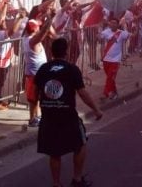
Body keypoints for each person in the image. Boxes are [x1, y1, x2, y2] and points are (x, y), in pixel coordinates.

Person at [35, 38, 104, 187]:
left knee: (54, 152)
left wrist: (36, 111)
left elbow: (35, 92)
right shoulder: (72, 69)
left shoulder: (43, 69)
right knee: (80, 144)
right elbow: (83, 93)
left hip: (49, 116)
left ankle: (56, 183)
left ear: (51, 52)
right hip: (68, 116)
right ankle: (77, 179)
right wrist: (96, 110)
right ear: (66, 51)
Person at [24, 16, 53, 127]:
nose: (39, 28)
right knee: (33, 98)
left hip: (38, 73)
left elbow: (42, 32)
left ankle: (38, 116)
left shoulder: (29, 38)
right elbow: (43, 32)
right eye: (37, 27)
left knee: (39, 97)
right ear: (34, 29)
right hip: (35, 74)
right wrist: (51, 18)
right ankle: (32, 119)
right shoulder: (32, 41)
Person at [98, 18, 129, 100]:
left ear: (118, 24)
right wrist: (98, 29)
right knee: (110, 77)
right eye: (111, 23)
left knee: (110, 77)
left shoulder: (121, 33)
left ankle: (105, 93)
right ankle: (114, 92)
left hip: (115, 60)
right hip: (106, 59)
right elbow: (99, 39)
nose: (112, 24)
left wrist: (124, 26)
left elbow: (131, 35)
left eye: (114, 23)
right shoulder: (106, 31)